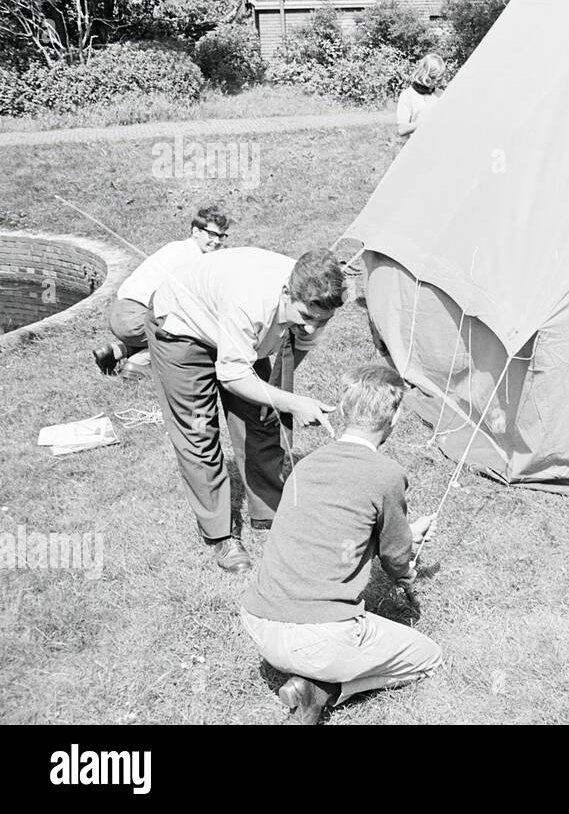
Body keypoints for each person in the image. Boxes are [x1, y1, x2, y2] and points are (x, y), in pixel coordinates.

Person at [240, 364, 441, 725]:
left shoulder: (306, 467)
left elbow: (333, 532)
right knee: (429, 656)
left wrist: (404, 531)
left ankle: (308, 685)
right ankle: (324, 691)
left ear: (344, 411)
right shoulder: (386, 474)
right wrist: (408, 565)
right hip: (320, 637)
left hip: (259, 623)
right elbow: (395, 558)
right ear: (393, 420)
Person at [147, 247, 345, 573]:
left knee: (263, 418)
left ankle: (269, 510)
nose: (312, 328)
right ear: (286, 293)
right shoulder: (251, 301)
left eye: (322, 321)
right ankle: (221, 534)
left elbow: (293, 352)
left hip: (233, 328)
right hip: (183, 329)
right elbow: (233, 376)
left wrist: (277, 399)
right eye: (307, 318)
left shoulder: (314, 300)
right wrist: (293, 403)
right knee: (199, 433)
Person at [92, 205, 232, 377]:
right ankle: (138, 365)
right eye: (212, 234)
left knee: (173, 325)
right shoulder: (193, 259)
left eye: (221, 236)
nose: (217, 241)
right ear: (196, 231)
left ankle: (115, 351)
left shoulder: (177, 247)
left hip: (119, 313)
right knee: (196, 336)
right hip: (135, 318)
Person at [395, 54, 445, 139]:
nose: (436, 82)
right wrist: (424, 123)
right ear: (423, 73)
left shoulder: (441, 95)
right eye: (433, 77)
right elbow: (401, 129)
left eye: (439, 79)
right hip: (418, 148)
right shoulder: (408, 95)